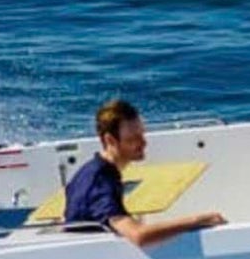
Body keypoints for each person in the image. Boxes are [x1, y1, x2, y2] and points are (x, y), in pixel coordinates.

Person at [64, 98, 227, 244]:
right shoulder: (101, 182)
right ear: (110, 140)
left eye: (142, 134)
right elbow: (138, 236)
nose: (143, 143)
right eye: (133, 138)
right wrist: (198, 220)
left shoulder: (88, 171)